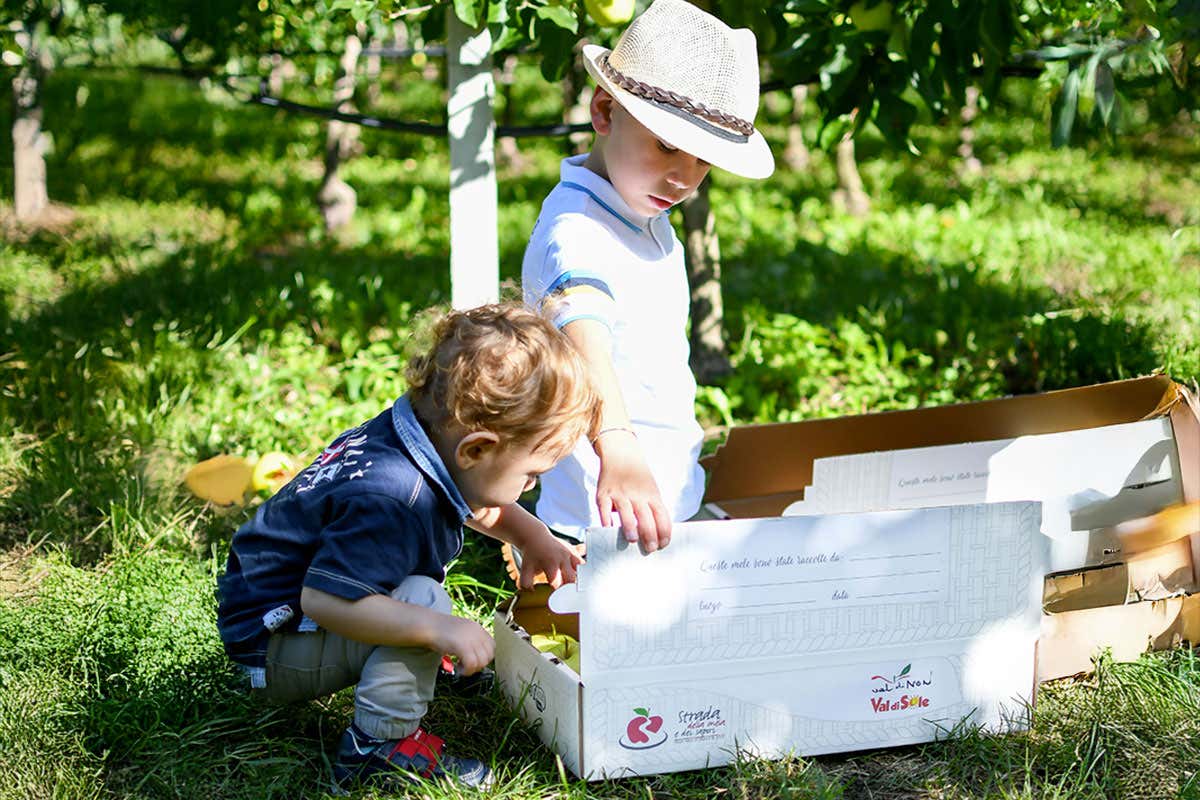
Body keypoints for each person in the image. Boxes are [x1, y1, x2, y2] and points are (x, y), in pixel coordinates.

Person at [215, 302, 601, 792]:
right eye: (531, 475)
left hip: (275, 611)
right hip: (274, 645)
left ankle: (405, 658)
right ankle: (377, 747)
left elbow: (473, 495)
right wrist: (437, 629)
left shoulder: (420, 435)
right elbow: (326, 600)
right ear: (476, 448)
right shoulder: (393, 498)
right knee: (424, 600)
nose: (529, 488)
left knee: (420, 604)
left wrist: (532, 537)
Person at [522, 0, 774, 554]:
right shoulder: (578, 230)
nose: (684, 177)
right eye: (666, 145)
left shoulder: (642, 214)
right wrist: (620, 448)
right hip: (601, 516)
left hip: (659, 501)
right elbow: (584, 340)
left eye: (704, 161)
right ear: (605, 112)